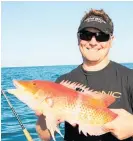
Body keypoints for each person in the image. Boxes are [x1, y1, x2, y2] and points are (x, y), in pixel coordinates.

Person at [36, 9, 133, 141]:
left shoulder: (129, 78)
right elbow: (44, 137)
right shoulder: (63, 82)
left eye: (101, 36)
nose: (93, 42)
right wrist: (43, 118)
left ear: (111, 40)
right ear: (78, 38)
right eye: (86, 35)